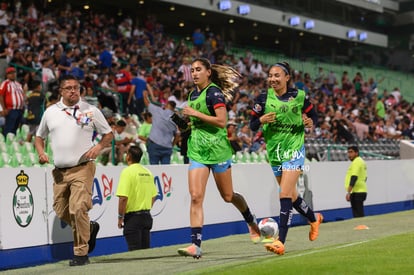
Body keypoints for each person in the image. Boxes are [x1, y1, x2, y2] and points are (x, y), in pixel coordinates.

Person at [177, 57, 260, 259]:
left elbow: (222, 122)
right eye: (192, 70)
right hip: (197, 150)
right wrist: (184, 124)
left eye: (198, 70)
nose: (194, 73)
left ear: (208, 73)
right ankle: (195, 245)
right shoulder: (192, 94)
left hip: (218, 150)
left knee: (228, 196)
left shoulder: (214, 93)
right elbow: (196, 122)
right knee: (196, 196)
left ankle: (250, 219)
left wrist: (194, 112)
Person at [34, 74, 114, 266]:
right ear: (60, 91)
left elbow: (108, 134)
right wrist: (41, 152)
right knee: (61, 210)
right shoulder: (50, 112)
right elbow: (39, 137)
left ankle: (80, 254)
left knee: (78, 208)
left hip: (83, 168)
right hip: (60, 172)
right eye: (68, 88)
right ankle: (89, 227)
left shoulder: (91, 110)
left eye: (76, 87)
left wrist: (98, 147)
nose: (73, 91)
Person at [249, 61, 323, 256]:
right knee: (292, 195)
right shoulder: (263, 98)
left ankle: (280, 241)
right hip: (275, 152)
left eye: (277, 75)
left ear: (287, 77)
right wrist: (261, 120)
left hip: (294, 150)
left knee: (283, 194)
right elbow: (252, 125)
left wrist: (310, 122)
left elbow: (313, 116)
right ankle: (314, 219)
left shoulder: (299, 96)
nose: (272, 79)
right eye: (270, 76)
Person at [116, 145, 158, 251]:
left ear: (128, 156)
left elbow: (123, 198)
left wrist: (120, 217)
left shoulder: (127, 172)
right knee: (145, 252)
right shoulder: (147, 172)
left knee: (134, 252)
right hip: (147, 216)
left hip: (133, 218)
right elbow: (154, 195)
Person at [143, 90, 179, 165]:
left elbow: (147, 103)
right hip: (167, 147)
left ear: (166, 106)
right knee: (165, 170)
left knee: (154, 170)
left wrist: (145, 95)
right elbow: (178, 134)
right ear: (174, 108)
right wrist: (172, 145)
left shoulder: (158, 111)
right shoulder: (177, 118)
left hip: (154, 144)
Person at [0, 67, 25, 136]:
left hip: (19, 109)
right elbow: (1, 96)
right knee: (9, 128)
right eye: (10, 73)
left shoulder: (18, 84)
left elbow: (22, 95)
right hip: (11, 109)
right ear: (7, 75)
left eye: (14, 73)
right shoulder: (5, 83)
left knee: (15, 128)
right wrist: (4, 108)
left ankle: (11, 143)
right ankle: (5, 143)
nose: (12, 74)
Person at [345, 145, 367, 218]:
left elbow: (354, 177)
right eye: (348, 152)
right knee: (359, 213)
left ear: (356, 153)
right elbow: (365, 178)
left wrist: (349, 192)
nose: (349, 154)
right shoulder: (361, 161)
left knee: (358, 214)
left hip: (356, 192)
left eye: (351, 152)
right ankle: (361, 226)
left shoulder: (356, 162)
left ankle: (361, 227)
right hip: (362, 190)